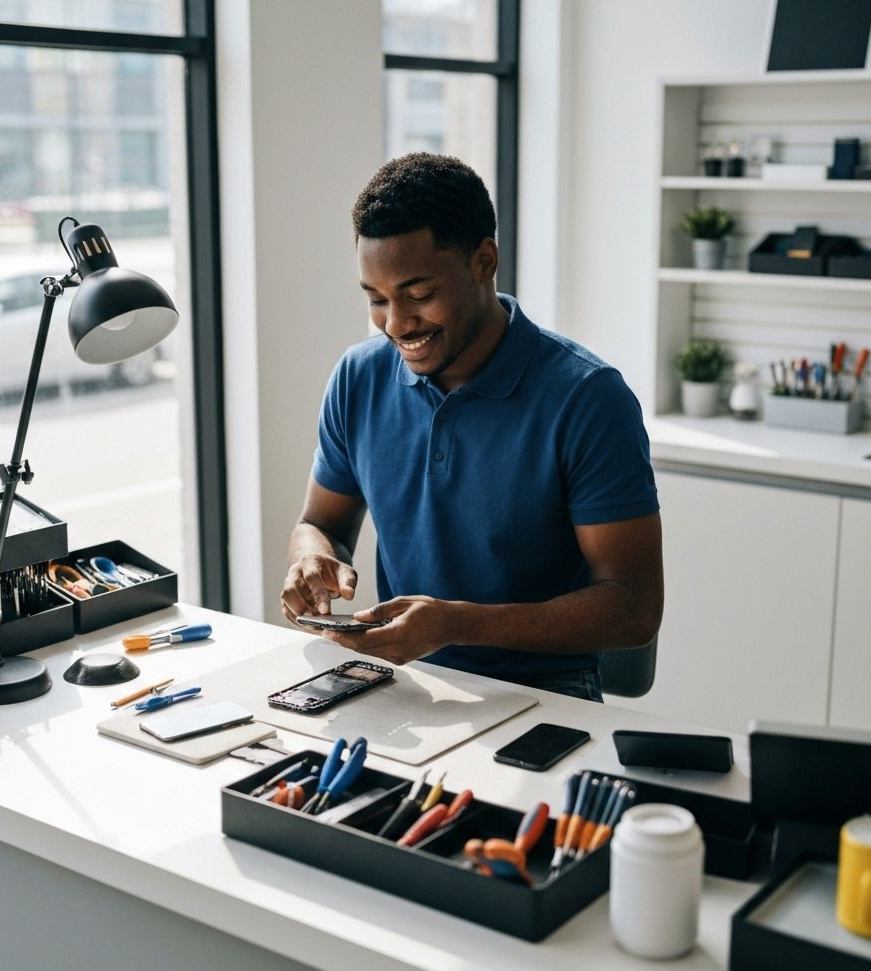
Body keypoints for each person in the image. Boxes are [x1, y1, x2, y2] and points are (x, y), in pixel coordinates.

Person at [280, 153, 662, 702]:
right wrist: (310, 558)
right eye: (377, 299)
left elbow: (633, 609)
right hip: (406, 677)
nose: (396, 324)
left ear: (484, 261)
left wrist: (458, 624)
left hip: (544, 688)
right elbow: (320, 522)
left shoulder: (587, 398)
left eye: (418, 295)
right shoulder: (357, 378)